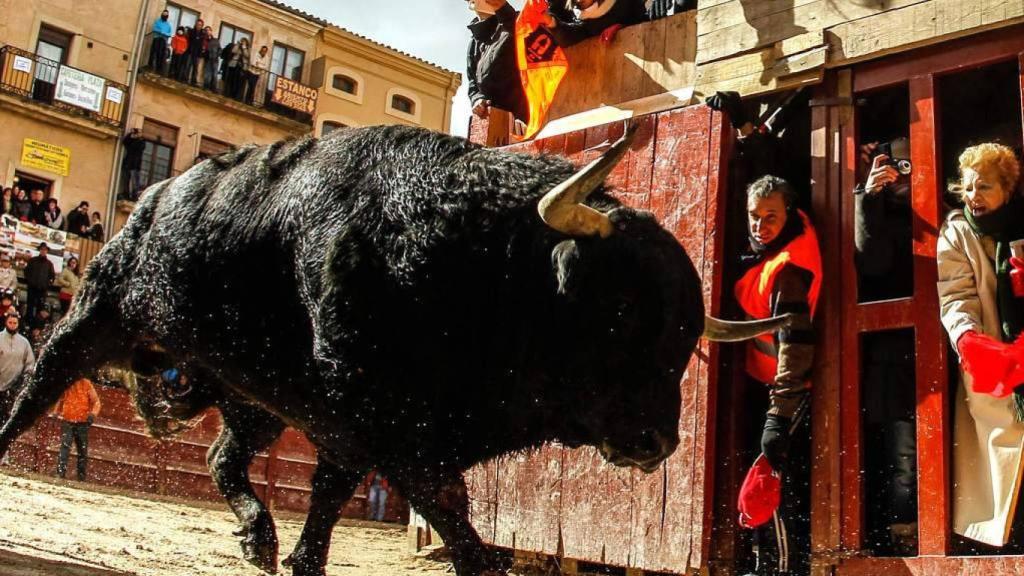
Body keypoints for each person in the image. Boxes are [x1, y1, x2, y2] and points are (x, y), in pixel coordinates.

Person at [937, 143, 1024, 549]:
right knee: (1001, 458)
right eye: (968, 187)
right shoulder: (956, 232)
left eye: (984, 186)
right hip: (991, 365)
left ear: (1007, 188)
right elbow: (955, 297)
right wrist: (971, 342)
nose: (973, 195)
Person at [734, 175, 821, 576]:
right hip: (766, 386)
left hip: (787, 393)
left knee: (775, 487)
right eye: (754, 216)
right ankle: (761, 565)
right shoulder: (773, 250)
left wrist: (779, 417)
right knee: (763, 484)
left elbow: (795, 347)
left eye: (771, 216)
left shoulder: (789, 270)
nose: (760, 225)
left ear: (789, 215)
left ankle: (784, 570)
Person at [854, 139, 918, 554]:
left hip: (940, 343)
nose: (898, 173)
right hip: (891, 351)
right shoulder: (874, 210)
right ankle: (902, 534)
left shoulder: (941, 206)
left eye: (906, 165)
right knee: (898, 455)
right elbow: (872, 262)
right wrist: (868, 197)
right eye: (892, 164)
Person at [466, 0, 529, 130]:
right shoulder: (474, 43)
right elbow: (472, 81)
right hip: (488, 121)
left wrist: (501, 6)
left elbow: (516, 25)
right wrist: (477, 99)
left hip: (521, 120)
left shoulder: (514, 22)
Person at [53, 376, 101, 481]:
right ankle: (64, 473)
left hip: (80, 422)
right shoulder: (80, 383)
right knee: (71, 449)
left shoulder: (85, 383)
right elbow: (61, 399)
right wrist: (56, 412)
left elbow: (96, 402)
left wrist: (93, 414)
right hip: (71, 420)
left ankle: (78, 476)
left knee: (78, 450)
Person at [543, 0, 648, 47]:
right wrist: (549, 20)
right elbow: (568, 37)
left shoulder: (624, 3)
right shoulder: (576, 14)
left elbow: (644, 20)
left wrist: (622, 28)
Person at [0, 313, 34, 420]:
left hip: (15, 386)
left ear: (18, 324)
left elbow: (30, 363)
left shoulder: (24, 342)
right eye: (10, 322)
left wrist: (25, 378)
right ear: (6, 322)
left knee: (8, 417)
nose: (12, 325)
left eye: (15, 323)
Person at [23, 242, 54, 323]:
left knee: (40, 308)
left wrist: (46, 285)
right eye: (42, 249)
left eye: (45, 250)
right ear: (40, 250)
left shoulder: (49, 264)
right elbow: (26, 272)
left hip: (42, 290)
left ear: (47, 251)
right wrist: (30, 282)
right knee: (30, 306)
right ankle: (27, 322)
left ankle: (36, 325)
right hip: (32, 288)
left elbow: (52, 276)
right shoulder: (32, 260)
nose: (43, 251)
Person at [122, 128, 147, 200]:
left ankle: (134, 196)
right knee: (126, 180)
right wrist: (130, 134)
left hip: (135, 166)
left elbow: (139, 147)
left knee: (134, 182)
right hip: (128, 163)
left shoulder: (142, 142)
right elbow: (125, 142)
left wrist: (136, 138)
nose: (137, 134)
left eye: (139, 133)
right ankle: (126, 194)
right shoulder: (132, 140)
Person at [148, 9, 173, 74]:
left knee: (161, 54)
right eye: (164, 14)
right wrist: (160, 31)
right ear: (162, 14)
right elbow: (154, 28)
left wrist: (164, 33)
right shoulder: (157, 21)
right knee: (154, 53)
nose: (165, 15)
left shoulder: (168, 25)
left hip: (163, 41)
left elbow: (170, 33)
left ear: (167, 16)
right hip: (157, 39)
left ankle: (159, 68)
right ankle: (151, 66)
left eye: (166, 14)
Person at [186, 19, 207, 86]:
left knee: (195, 68)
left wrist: (201, 52)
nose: (198, 26)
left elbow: (203, 44)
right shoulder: (191, 32)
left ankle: (193, 81)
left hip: (197, 53)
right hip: (190, 51)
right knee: (188, 66)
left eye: (200, 25)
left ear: (202, 26)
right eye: (198, 24)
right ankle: (185, 79)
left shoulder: (203, 34)